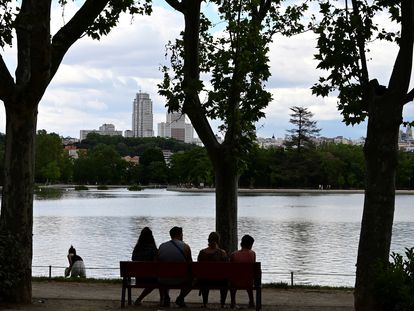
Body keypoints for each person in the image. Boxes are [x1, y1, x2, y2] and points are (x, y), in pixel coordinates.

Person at [158, 226, 192, 307]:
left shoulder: (162, 246)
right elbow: (191, 264)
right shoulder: (186, 247)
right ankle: (180, 298)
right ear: (180, 235)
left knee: (164, 271)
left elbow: (157, 262)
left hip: (163, 279)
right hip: (180, 279)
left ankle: (166, 297)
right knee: (192, 278)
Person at [197, 231, 228, 308]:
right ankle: (222, 304)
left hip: (204, 281)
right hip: (220, 281)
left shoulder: (202, 253)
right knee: (225, 280)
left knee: (204, 276)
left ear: (208, 240)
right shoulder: (222, 253)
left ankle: (205, 303)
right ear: (218, 241)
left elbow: (198, 268)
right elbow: (226, 269)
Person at [131, 227, 158, 306]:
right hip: (150, 278)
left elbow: (133, 259)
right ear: (151, 236)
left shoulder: (137, 248)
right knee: (160, 280)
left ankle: (139, 299)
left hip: (139, 278)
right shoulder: (153, 249)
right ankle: (163, 299)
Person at [230, 235, 256, 309]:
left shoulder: (234, 254)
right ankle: (251, 302)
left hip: (235, 281)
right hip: (248, 281)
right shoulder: (252, 254)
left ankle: (233, 302)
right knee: (248, 278)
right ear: (250, 245)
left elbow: (231, 270)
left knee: (233, 279)